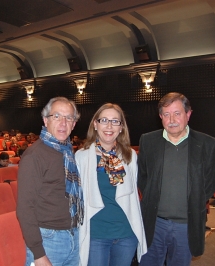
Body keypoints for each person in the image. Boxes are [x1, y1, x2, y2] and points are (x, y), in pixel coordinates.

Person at [137, 92, 215, 266]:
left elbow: (211, 182)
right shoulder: (148, 141)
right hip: (154, 223)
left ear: (188, 114)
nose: (171, 119)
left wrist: (195, 200)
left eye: (177, 113)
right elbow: (142, 177)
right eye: (166, 114)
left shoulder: (206, 143)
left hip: (186, 225)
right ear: (160, 117)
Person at [75, 103, 147, 266]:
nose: (109, 126)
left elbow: (134, 197)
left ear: (121, 127)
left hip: (126, 234)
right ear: (95, 124)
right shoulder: (82, 157)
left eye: (115, 121)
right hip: (96, 234)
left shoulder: (129, 156)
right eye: (104, 120)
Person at [17, 97, 84, 266]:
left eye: (69, 118)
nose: (63, 123)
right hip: (48, 240)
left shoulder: (67, 152)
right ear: (45, 120)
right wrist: (38, 254)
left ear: (74, 124)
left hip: (73, 235)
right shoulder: (35, 156)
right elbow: (25, 208)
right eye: (57, 116)